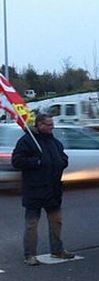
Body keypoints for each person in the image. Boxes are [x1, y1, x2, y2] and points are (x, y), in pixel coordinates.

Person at [11, 114, 72, 266]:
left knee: (56, 221)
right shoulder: (26, 141)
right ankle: (30, 254)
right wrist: (37, 162)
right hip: (34, 190)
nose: (52, 127)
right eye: (48, 124)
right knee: (32, 224)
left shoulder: (55, 142)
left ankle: (57, 250)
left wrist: (62, 162)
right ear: (39, 125)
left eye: (52, 124)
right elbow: (16, 161)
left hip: (53, 189)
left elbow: (63, 157)